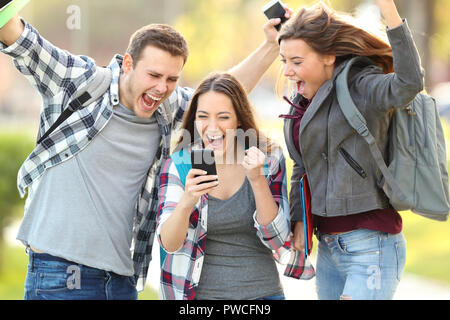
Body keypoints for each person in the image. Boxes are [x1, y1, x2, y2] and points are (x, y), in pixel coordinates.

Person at [0, 8, 290, 299]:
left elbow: (220, 96)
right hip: (61, 274)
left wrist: (269, 46)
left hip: (121, 280)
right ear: (128, 64)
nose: (161, 88)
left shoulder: (164, 107)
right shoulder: (78, 81)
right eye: (153, 75)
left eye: (172, 79)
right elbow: (24, 42)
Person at [277, 0, 424, 300]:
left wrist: (390, 12)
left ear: (329, 56)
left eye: (296, 61)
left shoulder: (362, 84)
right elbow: (301, 167)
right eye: (284, 61)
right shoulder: (302, 101)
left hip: (372, 245)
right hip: (329, 248)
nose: (288, 71)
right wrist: (299, 221)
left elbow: (410, 83)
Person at [156, 72, 314, 300]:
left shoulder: (267, 158)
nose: (212, 128)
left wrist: (258, 181)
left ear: (238, 118)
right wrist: (187, 201)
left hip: (262, 295)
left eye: (223, 117)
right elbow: (169, 244)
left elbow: (277, 240)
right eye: (203, 117)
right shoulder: (180, 165)